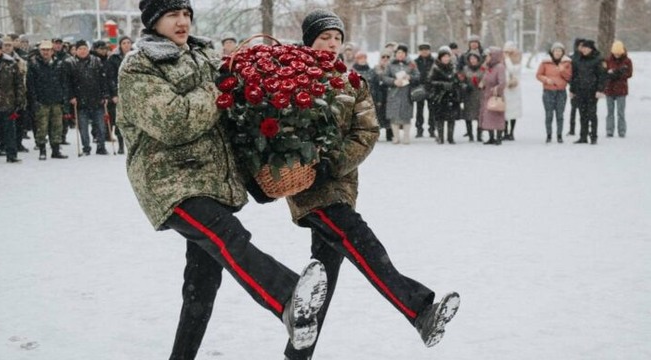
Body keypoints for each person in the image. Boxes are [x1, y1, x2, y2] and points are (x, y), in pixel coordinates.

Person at [116, 1, 330, 359]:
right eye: (172, 15)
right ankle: (286, 296)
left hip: (210, 180)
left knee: (202, 283)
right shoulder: (139, 66)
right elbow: (173, 121)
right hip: (169, 180)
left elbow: (236, 102)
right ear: (153, 22)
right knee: (227, 234)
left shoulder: (203, 54)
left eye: (185, 13)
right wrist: (218, 88)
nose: (182, 21)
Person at [278, 9, 460, 360]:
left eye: (337, 38)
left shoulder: (352, 82)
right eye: (324, 38)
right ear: (308, 41)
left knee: (323, 279)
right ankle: (419, 310)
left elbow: (367, 132)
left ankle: (297, 354)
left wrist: (334, 161)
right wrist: (309, 158)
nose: (332, 44)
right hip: (311, 188)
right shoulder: (291, 79)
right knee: (363, 244)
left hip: (341, 184)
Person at [64, 40, 109, 155]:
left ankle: (101, 146)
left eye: (84, 48)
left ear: (88, 49)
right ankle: (86, 147)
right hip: (80, 101)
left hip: (97, 99)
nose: (83, 51)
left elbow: (103, 79)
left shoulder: (96, 61)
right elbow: (67, 82)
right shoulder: (70, 63)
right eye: (80, 49)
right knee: (83, 127)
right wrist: (71, 96)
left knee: (100, 126)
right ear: (76, 50)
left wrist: (105, 94)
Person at [27, 40, 68, 160]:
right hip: (41, 101)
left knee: (57, 127)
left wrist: (63, 98)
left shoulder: (59, 64)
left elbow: (64, 83)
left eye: (48, 50)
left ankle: (56, 150)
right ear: (40, 51)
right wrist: (34, 100)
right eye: (43, 50)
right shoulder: (34, 65)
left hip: (56, 100)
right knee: (41, 127)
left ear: (52, 51)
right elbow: (31, 85)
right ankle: (42, 150)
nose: (46, 52)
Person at [569, 39, 606, 145]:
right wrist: (572, 90)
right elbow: (574, 76)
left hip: (592, 91)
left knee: (592, 114)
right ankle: (583, 136)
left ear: (591, 48)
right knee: (582, 114)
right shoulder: (577, 59)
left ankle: (593, 136)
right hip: (580, 90)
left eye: (586, 48)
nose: (584, 50)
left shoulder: (598, 59)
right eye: (583, 48)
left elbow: (602, 76)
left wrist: (600, 89)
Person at [536, 42, 572, 143]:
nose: (557, 52)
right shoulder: (545, 62)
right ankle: (549, 135)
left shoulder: (567, 63)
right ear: (552, 51)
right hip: (548, 91)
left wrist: (562, 71)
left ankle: (559, 135)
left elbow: (569, 77)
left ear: (563, 52)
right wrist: (546, 80)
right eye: (556, 50)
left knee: (560, 115)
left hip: (561, 92)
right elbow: (538, 75)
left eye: (560, 51)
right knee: (549, 114)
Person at [383, 43, 419, 144]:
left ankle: (406, 136)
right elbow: (384, 77)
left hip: (407, 93)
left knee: (406, 115)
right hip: (394, 93)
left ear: (406, 54)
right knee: (394, 116)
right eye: (398, 52)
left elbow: (418, 76)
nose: (400, 54)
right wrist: (393, 81)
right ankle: (396, 137)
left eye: (403, 53)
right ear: (395, 54)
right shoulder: (390, 64)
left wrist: (410, 77)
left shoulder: (411, 64)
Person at [105, 35, 132, 154]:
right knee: (120, 120)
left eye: (128, 43)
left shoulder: (137, 56)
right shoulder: (114, 59)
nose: (126, 45)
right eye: (124, 43)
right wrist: (114, 94)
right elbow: (110, 77)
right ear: (120, 45)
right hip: (119, 93)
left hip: (133, 92)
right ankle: (121, 145)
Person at [428, 46, 459, 144]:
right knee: (439, 117)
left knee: (451, 118)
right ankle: (440, 137)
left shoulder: (453, 67)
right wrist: (442, 84)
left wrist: (455, 84)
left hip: (451, 96)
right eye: (444, 57)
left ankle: (450, 137)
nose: (446, 59)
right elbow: (429, 82)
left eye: (447, 56)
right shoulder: (435, 68)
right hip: (439, 96)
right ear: (440, 58)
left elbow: (457, 80)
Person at [603, 40, 633, 138]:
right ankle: (609, 130)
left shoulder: (627, 61)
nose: (617, 55)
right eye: (615, 53)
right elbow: (604, 73)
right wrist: (611, 73)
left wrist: (618, 73)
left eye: (619, 53)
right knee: (610, 112)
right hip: (609, 89)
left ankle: (622, 131)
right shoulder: (607, 60)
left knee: (621, 112)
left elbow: (629, 74)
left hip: (621, 90)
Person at [480, 47, 507, 145]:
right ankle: (491, 137)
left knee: (497, 115)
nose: (486, 58)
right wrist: (482, 83)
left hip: (496, 95)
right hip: (487, 94)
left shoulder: (500, 67)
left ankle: (499, 137)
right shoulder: (489, 66)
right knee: (488, 116)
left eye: (488, 56)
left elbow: (503, 82)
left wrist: (496, 89)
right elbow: (486, 77)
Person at [459, 52, 484, 142]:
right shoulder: (465, 69)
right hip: (468, 95)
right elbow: (460, 80)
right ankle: (470, 134)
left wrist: (482, 83)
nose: (473, 61)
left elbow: (486, 79)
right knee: (468, 115)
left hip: (479, 94)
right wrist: (464, 86)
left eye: (475, 59)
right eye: (471, 59)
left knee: (479, 115)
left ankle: (479, 134)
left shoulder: (482, 69)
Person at [502, 41, 522, 141]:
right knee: (504, 111)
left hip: (514, 88)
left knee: (513, 111)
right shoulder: (502, 60)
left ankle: (511, 132)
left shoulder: (516, 59)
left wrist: (507, 59)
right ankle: (505, 131)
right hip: (505, 88)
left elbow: (512, 70)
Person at [414, 43, 435, 138]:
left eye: (426, 50)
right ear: (419, 51)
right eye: (422, 50)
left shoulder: (434, 61)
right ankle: (419, 129)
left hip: (431, 88)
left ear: (429, 51)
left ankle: (432, 129)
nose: (424, 52)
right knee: (419, 110)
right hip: (419, 87)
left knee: (432, 109)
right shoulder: (415, 62)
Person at [372, 50, 393, 141]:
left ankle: (390, 134)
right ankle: (377, 134)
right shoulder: (375, 69)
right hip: (379, 95)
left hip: (390, 94)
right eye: (383, 57)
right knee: (378, 115)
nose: (385, 59)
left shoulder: (393, 69)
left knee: (389, 115)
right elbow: (373, 83)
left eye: (388, 57)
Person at [567, 38, 585, 136]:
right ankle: (572, 129)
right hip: (574, 87)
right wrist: (572, 84)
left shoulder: (587, 57)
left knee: (585, 110)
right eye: (580, 45)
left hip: (586, 87)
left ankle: (584, 129)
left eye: (583, 46)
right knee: (573, 109)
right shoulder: (571, 58)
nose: (582, 48)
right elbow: (568, 73)